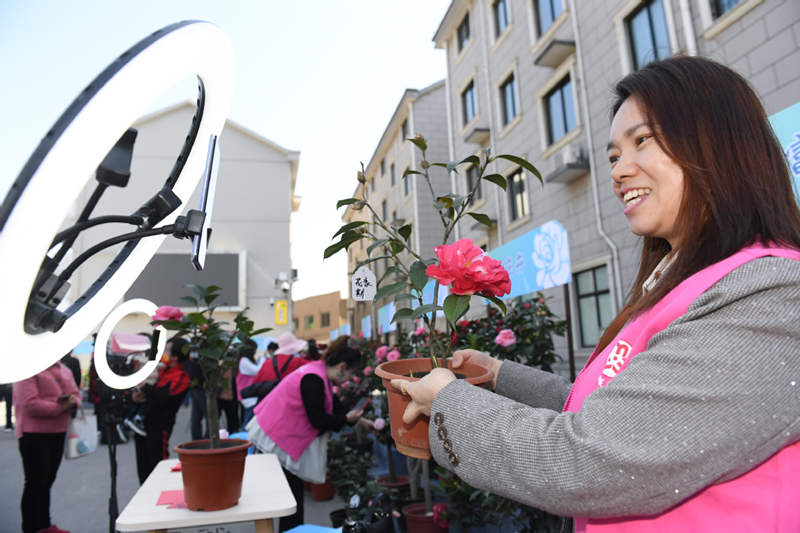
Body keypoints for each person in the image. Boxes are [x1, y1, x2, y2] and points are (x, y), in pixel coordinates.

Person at [394, 56, 800, 532]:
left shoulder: (770, 294)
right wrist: (499, 374)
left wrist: (449, 401)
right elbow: (613, 410)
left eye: (641, 141)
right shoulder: (684, 284)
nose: (619, 171)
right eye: (612, 156)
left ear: (718, 143)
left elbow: (592, 457)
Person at [247, 336, 374, 532]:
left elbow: (333, 405)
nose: (350, 379)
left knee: (290, 500)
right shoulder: (313, 378)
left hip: (279, 437)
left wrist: (359, 420)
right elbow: (318, 419)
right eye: (351, 373)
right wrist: (346, 420)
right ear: (341, 367)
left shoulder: (317, 372)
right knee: (290, 503)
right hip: (278, 440)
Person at [14, 360, 81, 533]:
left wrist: (74, 402)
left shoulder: (64, 369)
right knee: (35, 483)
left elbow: (76, 394)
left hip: (58, 432)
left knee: (47, 482)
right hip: (33, 434)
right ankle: (30, 528)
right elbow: (30, 404)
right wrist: (61, 406)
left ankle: (44, 525)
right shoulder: (26, 368)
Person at [131, 336, 190, 484]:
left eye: (167, 351)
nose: (163, 353)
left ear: (175, 357)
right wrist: (136, 396)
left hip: (160, 426)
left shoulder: (181, 376)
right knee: (142, 468)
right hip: (144, 424)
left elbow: (166, 398)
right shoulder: (162, 370)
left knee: (157, 466)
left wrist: (145, 386)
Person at [236, 339, 265, 429]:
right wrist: (263, 359)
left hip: (250, 395)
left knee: (249, 420)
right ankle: (243, 439)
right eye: (254, 349)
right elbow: (257, 371)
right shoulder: (244, 360)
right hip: (248, 396)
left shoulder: (245, 360)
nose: (255, 352)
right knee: (248, 422)